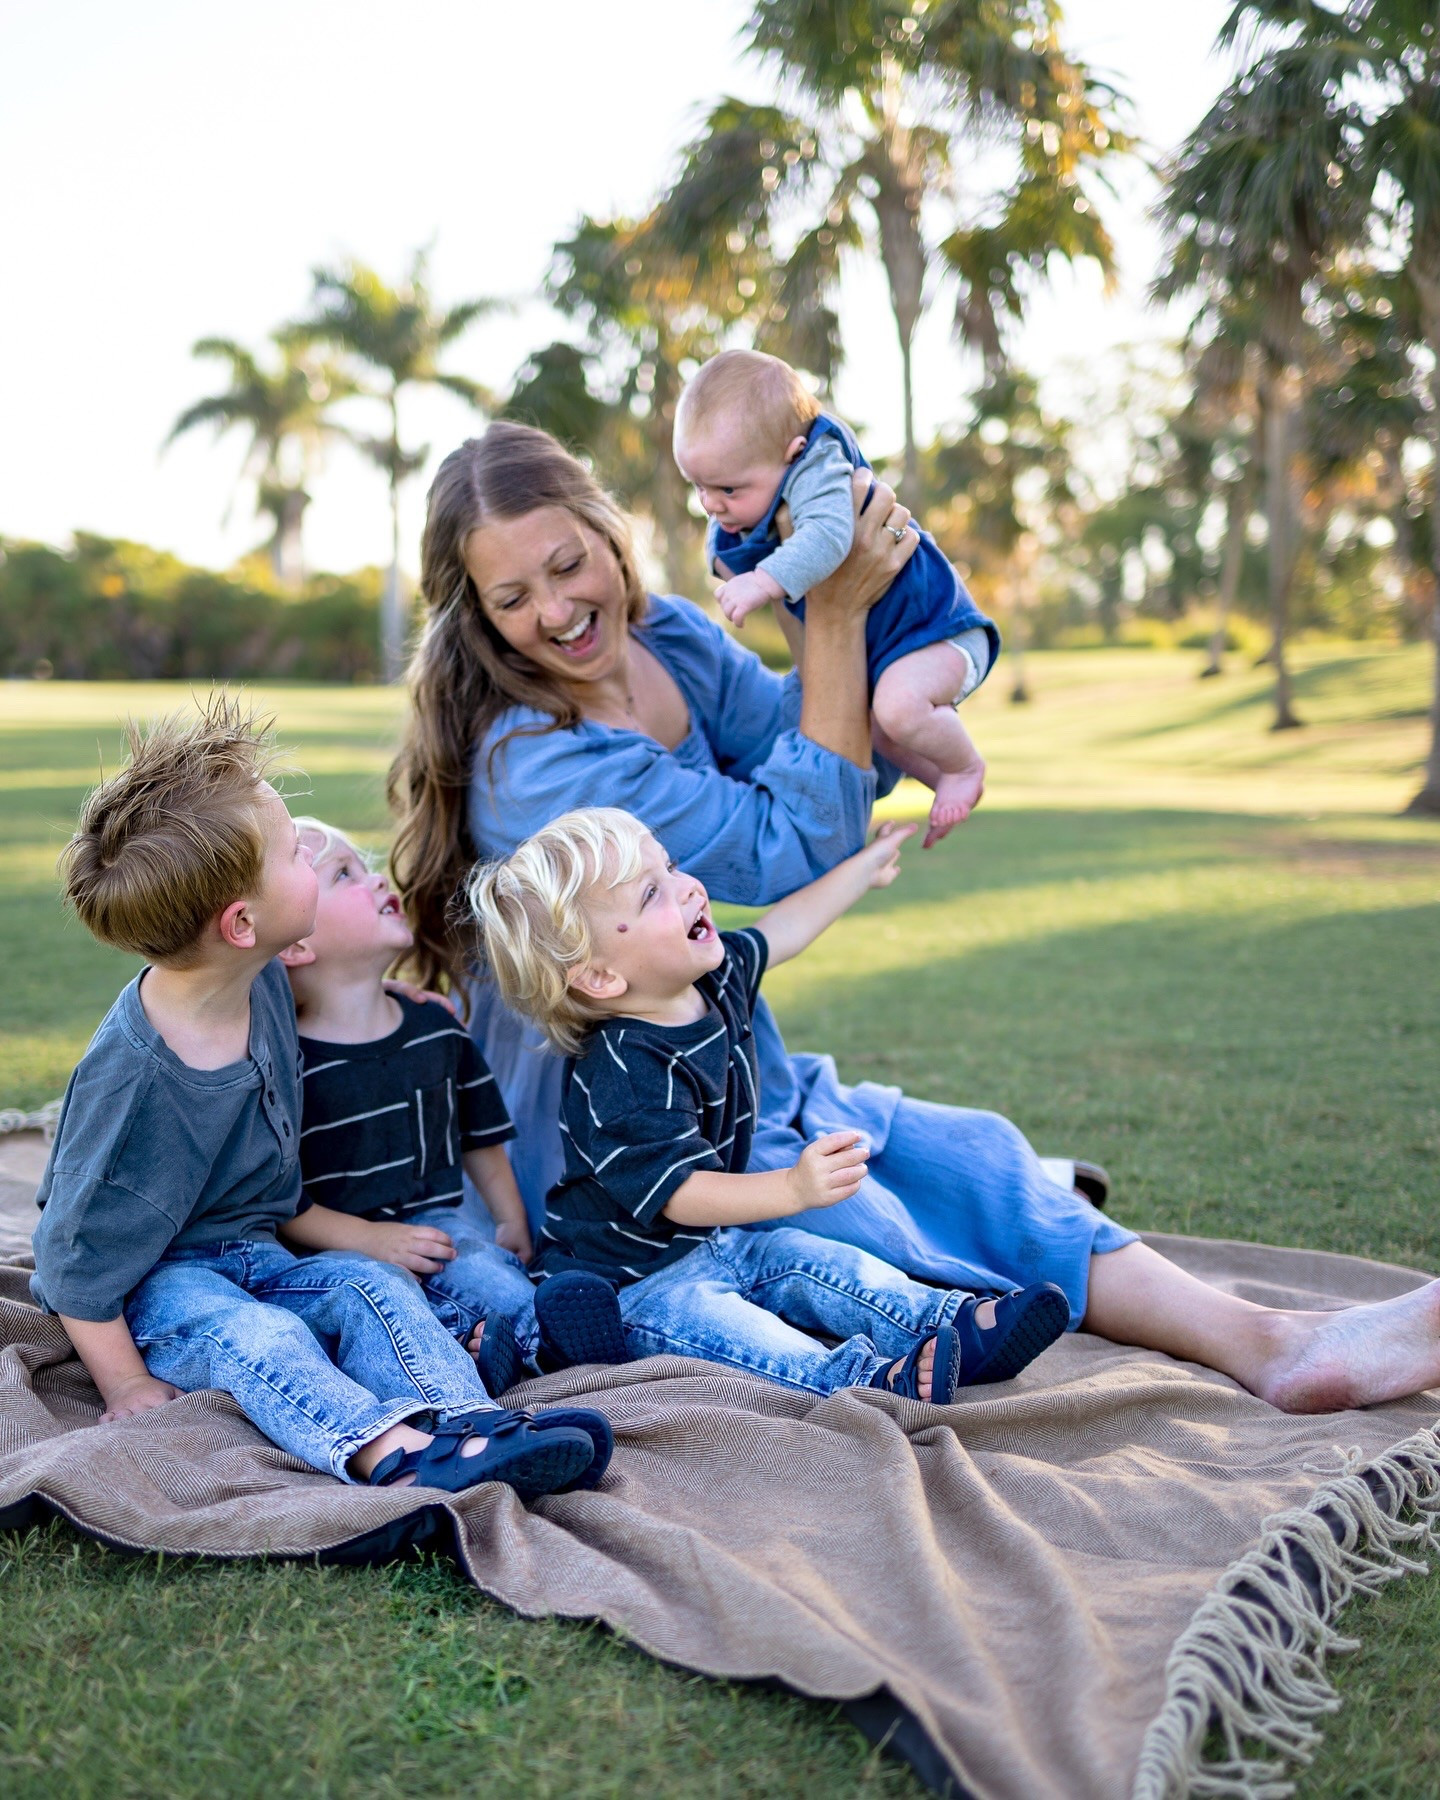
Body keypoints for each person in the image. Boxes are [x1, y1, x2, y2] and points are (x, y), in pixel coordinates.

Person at [389, 422, 1440, 1414]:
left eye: (570, 564)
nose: (559, 610)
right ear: (477, 612)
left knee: (974, 1155)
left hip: (722, 1055)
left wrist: (877, 617)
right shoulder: (532, 762)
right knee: (847, 1223)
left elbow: (815, 747)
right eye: (513, 595)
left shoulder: (670, 637)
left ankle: (1275, 1346)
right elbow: (797, 838)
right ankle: (1019, 1300)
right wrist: (838, 616)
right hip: (611, 1136)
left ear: (609, 534)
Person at [30, 697, 610, 1498]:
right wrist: (126, 1384)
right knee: (260, 1336)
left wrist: (401, 993)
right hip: (162, 1286)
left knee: (367, 1284)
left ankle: (465, 1420)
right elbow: (71, 1259)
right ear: (242, 924)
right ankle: (389, 1454)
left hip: (261, 1247)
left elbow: (334, 972)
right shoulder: (135, 1080)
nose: (313, 856)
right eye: (293, 853)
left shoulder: (256, 977)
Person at [470, 806, 1069, 1399]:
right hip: (633, 1282)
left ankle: (951, 1324)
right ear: (600, 977)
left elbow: (786, 928)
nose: (687, 887)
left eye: (671, 866)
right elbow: (681, 1194)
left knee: (818, 1263)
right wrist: (793, 1190)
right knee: (741, 1336)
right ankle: (863, 1382)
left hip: (720, 1238)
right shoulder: (622, 1071)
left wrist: (864, 869)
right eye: (652, 892)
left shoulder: (714, 976)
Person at [276, 814, 614, 1392]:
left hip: (438, 1226)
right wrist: (370, 1241)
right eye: (344, 874)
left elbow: (480, 1138)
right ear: (298, 944)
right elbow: (282, 1202)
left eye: (369, 866)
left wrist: (510, 1220)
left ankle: (542, 1343)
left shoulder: (435, 1026)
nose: (379, 880)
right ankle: (486, 1353)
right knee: (377, 1310)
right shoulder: (286, 1061)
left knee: (484, 1267)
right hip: (337, 1249)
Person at [673, 349, 995, 846]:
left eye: (729, 490)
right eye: (699, 488)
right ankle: (943, 780)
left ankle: (965, 766)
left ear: (791, 450)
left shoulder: (819, 469)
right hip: (893, 649)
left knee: (899, 708)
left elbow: (828, 538)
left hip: (936, 629)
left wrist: (761, 581)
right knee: (883, 724)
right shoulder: (761, 488)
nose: (712, 505)